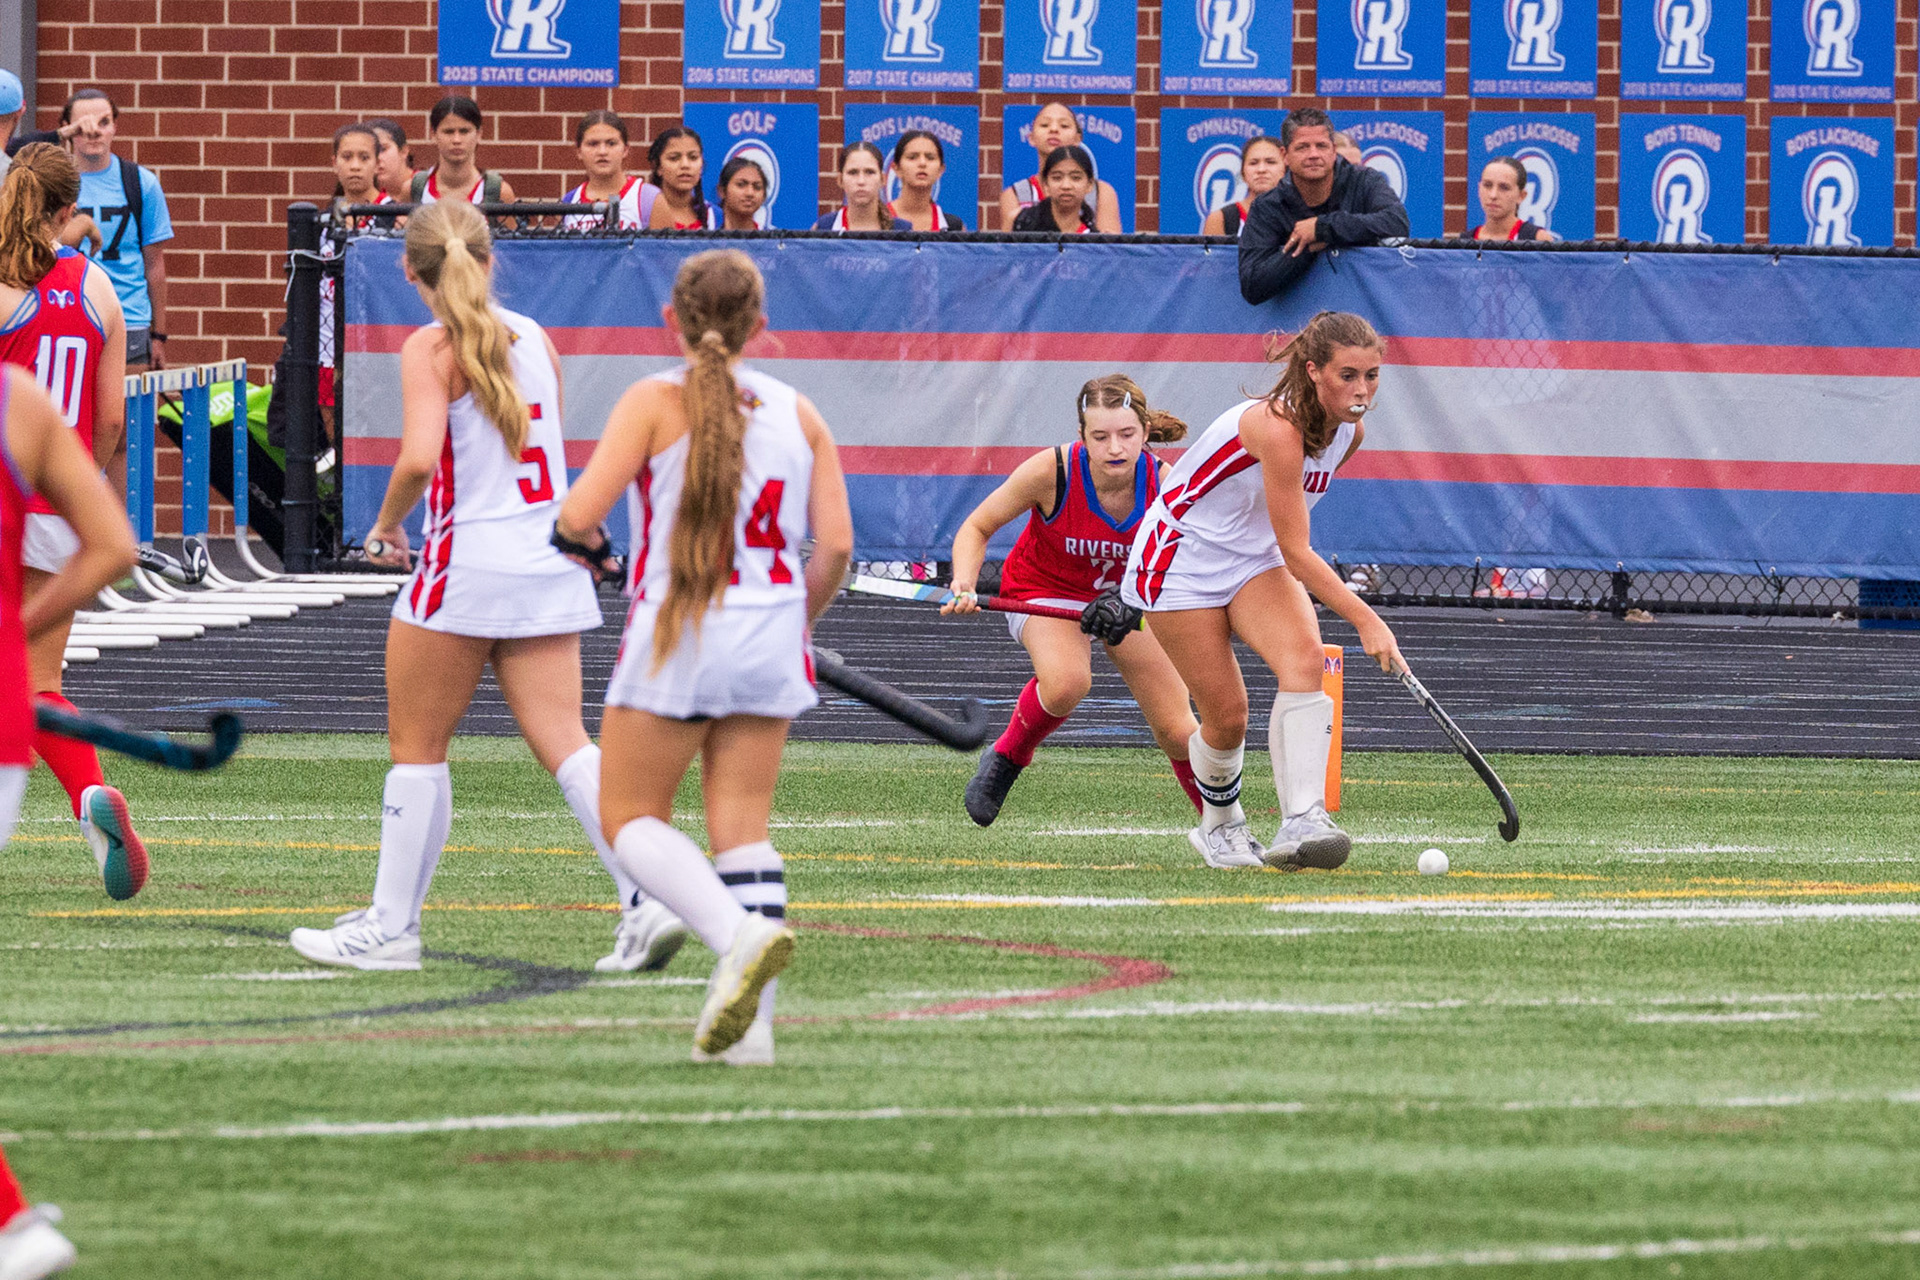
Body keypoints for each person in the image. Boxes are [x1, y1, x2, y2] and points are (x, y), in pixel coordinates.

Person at [288, 201, 687, 974]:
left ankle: (391, 928)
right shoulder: (534, 336)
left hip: (466, 562)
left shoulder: (430, 347)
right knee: (569, 745)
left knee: (417, 749)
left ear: (411, 271)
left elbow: (418, 458)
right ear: (488, 259)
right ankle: (648, 896)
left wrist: (385, 527)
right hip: (546, 561)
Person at [553, 249, 855, 1065]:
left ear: (672, 321)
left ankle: (733, 936)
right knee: (742, 830)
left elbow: (578, 514)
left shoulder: (652, 400)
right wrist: (794, 621)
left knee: (628, 818)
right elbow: (835, 547)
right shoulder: (800, 412)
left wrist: (592, 546)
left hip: (678, 628)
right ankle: (750, 1040)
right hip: (769, 635)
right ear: (760, 325)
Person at [1121, 311, 1405, 870]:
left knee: (1305, 661)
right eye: (1348, 375)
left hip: (1254, 557)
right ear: (1313, 371)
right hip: (1181, 560)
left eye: (1371, 376)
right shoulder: (1275, 428)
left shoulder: (1350, 433)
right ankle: (1220, 824)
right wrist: (1367, 618)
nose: (1362, 390)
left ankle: (1303, 820)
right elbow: (1298, 552)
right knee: (1227, 717)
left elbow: (1280, 536)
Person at [0, 368, 137, 1280]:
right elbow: (114, 543)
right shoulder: (19, 396)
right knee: (46, 683)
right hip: (8, 732)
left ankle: (13, 1227)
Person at [943, 374, 1206, 827]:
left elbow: (1189, 564)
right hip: (1046, 589)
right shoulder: (1052, 471)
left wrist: (1135, 602)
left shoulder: (1167, 486)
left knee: (1179, 730)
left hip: (1125, 601)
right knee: (1067, 682)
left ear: (1145, 432)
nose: (1115, 448)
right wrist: (964, 582)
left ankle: (1224, 828)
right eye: (1100, 437)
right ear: (1082, 436)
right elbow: (977, 527)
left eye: (1127, 434)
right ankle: (1008, 756)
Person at [0, 143, 145, 900]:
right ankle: (89, 796)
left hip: (5, 499)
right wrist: (82, 481)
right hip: (62, 507)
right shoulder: (97, 286)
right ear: (69, 209)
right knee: (40, 680)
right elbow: (113, 417)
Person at [1238, 108, 1409, 306]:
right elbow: (1252, 285)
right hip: (1297, 317)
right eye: (1302, 147)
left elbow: (1397, 223)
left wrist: (1323, 228)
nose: (1313, 154)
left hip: (1364, 311)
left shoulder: (1364, 181)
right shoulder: (1268, 206)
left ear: (1333, 150)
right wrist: (1308, 247)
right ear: (1285, 155)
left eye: (1321, 146)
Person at [62, 89, 171, 371]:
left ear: (115, 127)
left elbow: (155, 265)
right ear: (68, 129)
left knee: (127, 400)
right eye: (83, 125)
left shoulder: (140, 183)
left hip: (128, 317)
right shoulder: (54, 184)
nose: (94, 132)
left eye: (103, 122)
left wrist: (158, 335)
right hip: (67, 314)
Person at [999, 104, 1122, 233]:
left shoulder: (1101, 192)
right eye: (1045, 125)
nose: (1054, 129)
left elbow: (1108, 244)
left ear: (1078, 139)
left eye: (1064, 126)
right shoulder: (1015, 194)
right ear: (1031, 138)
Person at [408, 97, 516, 206]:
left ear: (479, 134)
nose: (457, 140)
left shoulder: (499, 193)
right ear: (433, 134)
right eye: (449, 132)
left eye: (464, 131)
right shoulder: (414, 189)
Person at [561, 111, 656, 231]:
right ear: (579, 151)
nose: (602, 152)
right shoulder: (570, 200)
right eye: (593, 144)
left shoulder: (648, 198)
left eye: (611, 143)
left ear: (625, 150)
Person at [0, 69, 101, 158]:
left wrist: (61, 133)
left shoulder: (11, 153)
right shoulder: (13, 168)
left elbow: (20, 145)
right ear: (21, 111)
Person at [1202, 136, 1285, 238]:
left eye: (1270, 162)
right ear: (1242, 173)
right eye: (1253, 163)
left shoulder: (1298, 215)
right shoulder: (1220, 219)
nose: (1261, 169)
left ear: (1285, 169)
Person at [815, 143, 909, 232]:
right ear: (840, 180)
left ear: (882, 179)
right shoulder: (825, 226)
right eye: (853, 172)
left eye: (869, 172)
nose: (861, 181)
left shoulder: (902, 230)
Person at [888, 130, 966, 231]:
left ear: (941, 170)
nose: (922, 163)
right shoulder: (879, 220)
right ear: (896, 168)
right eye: (912, 157)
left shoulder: (952, 226)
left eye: (930, 158)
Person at [1010, 146, 1097, 234]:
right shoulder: (1020, 222)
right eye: (1057, 178)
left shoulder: (1094, 238)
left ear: (1090, 184)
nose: (1066, 186)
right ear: (1045, 184)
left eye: (1075, 178)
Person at [1470, 156, 1558, 242]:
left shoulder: (1537, 239)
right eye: (1487, 185)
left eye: (1504, 188)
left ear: (1521, 196)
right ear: (1479, 188)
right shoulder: (1466, 241)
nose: (1493, 195)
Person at [645, 127, 708, 230]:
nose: (685, 165)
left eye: (693, 157)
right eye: (674, 158)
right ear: (658, 167)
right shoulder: (643, 212)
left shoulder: (713, 215)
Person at [708, 155, 768, 230]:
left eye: (757, 187)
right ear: (722, 191)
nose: (750, 193)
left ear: (764, 196)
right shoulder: (703, 232)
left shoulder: (771, 236)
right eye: (741, 185)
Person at [367, 117, 417, 202]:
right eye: (370, 152)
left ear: (403, 151)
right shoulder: (372, 198)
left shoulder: (427, 186)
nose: (377, 158)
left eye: (383, 149)